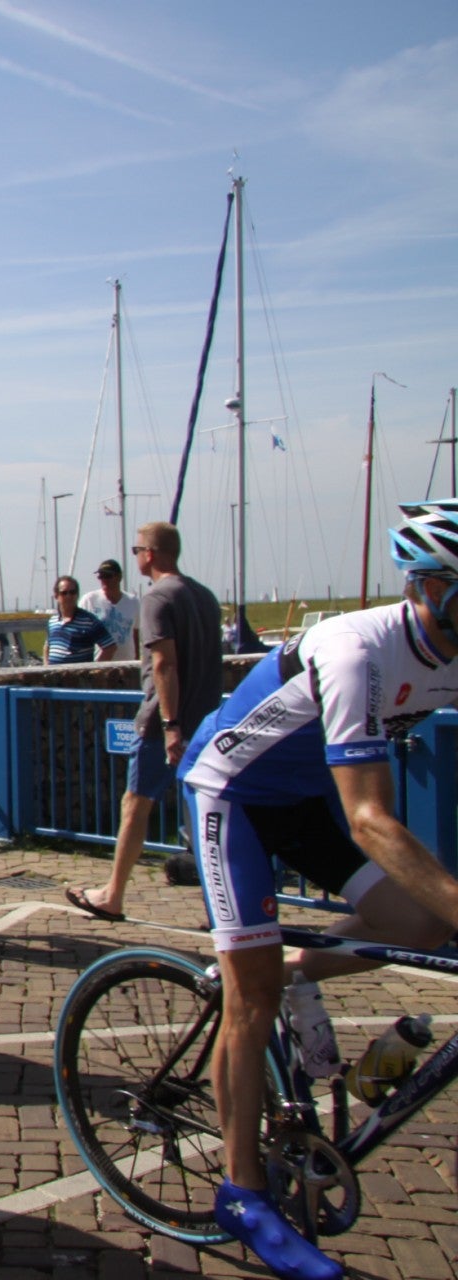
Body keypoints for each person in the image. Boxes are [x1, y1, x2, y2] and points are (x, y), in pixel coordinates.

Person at [168, 500, 458, 1280]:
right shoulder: (358, 650)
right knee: (252, 997)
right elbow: (370, 819)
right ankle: (242, 1192)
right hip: (231, 792)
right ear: (427, 590)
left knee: (425, 927)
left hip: (302, 801)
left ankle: (292, 970)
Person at [67, 521, 224, 922]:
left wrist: (170, 724)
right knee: (205, 816)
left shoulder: (157, 598)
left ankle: (112, 895)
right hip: (208, 721)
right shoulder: (205, 596)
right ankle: (222, 908)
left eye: (137, 550)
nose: (136, 555)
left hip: (164, 723)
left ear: (150, 554)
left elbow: (164, 663)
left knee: (135, 804)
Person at [45, 575, 114, 664]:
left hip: (80, 673)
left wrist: (96, 669)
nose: (69, 596)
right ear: (56, 596)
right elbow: (47, 646)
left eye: (72, 592)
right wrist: (46, 666)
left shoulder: (89, 621)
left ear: (77, 595)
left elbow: (110, 647)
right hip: (54, 672)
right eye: (64, 593)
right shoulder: (52, 621)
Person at [81, 557, 140, 660]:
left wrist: (137, 661)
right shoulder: (89, 600)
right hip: (100, 664)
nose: (104, 580)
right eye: (101, 576)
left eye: (108, 576)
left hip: (126, 664)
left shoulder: (133, 602)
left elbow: (135, 633)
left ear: (119, 577)